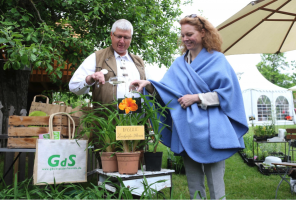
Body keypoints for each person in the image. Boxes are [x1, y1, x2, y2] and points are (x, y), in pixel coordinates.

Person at [131, 14, 248, 200]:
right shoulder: (179, 64)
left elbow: (228, 95)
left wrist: (197, 98)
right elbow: (166, 91)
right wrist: (148, 85)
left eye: (190, 34)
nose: (186, 39)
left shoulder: (218, 60)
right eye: (183, 35)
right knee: (194, 185)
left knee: (216, 187)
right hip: (186, 129)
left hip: (212, 131)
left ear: (203, 33)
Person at [69, 19, 150, 165]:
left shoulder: (138, 61)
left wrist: (148, 85)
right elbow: (73, 87)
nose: (122, 41)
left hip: (135, 122)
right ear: (111, 35)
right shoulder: (97, 57)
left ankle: (132, 186)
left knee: (134, 165)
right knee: (110, 168)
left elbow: (150, 90)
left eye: (126, 37)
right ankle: (108, 188)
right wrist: (90, 78)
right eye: (118, 36)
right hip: (107, 124)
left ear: (131, 38)